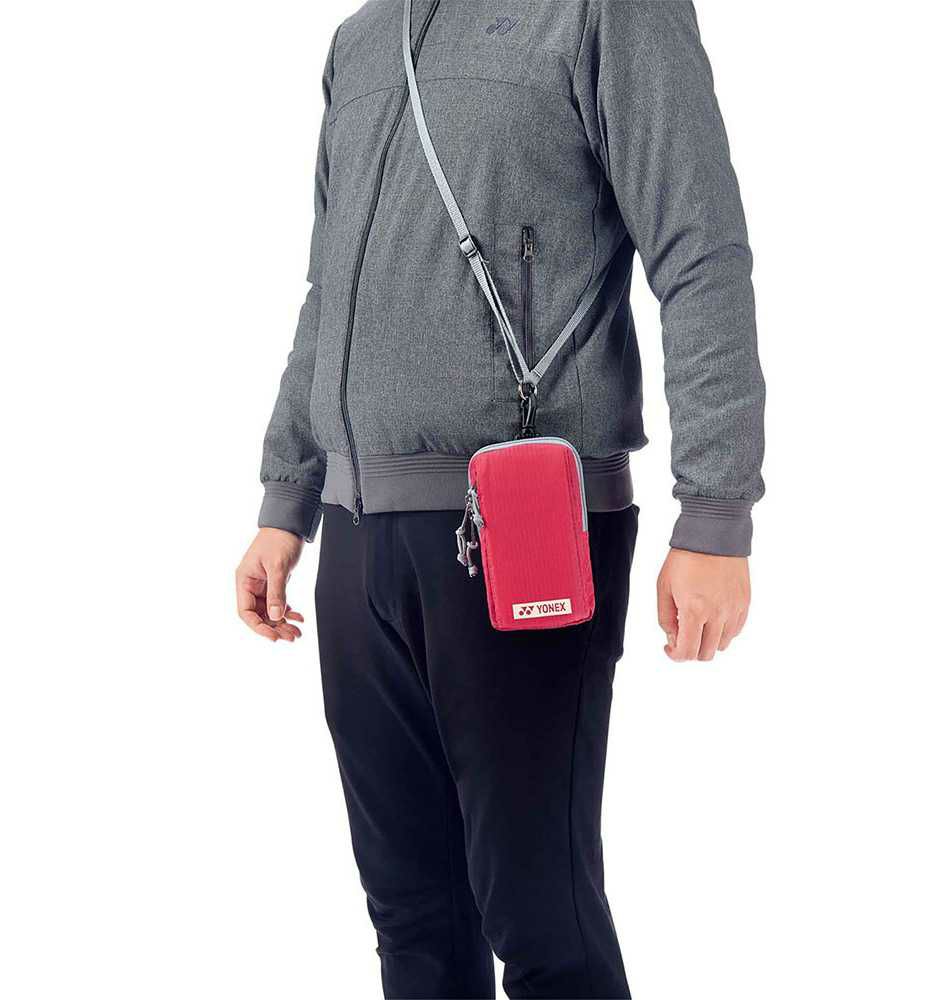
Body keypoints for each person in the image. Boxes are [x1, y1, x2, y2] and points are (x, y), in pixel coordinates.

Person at [235, 2, 764, 997]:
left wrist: (715, 513)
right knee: (412, 916)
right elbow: (327, 292)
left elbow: (700, 252)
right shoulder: (362, 39)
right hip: (356, 529)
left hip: (526, 522)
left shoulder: (605, 13)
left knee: (539, 913)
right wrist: (286, 496)